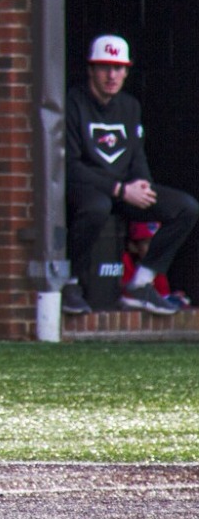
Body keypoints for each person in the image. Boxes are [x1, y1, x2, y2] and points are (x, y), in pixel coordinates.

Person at [64, 34, 198, 316]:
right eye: (104, 67)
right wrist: (119, 189)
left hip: (123, 190)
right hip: (90, 189)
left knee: (185, 207)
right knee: (96, 207)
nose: (112, 75)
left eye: (119, 68)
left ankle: (141, 284)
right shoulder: (74, 103)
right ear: (91, 69)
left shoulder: (129, 106)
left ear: (126, 71)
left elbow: (136, 155)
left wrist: (142, 185)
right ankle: (71, 283)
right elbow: (71, 167)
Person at [121, 222, 190, 309]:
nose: (154, 248)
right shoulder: (125, 260)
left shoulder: (156, 266)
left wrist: (172, 298)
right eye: (148, 243)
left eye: (157, 243)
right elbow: (126, 294)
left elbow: (162, 297)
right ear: (133, 246)